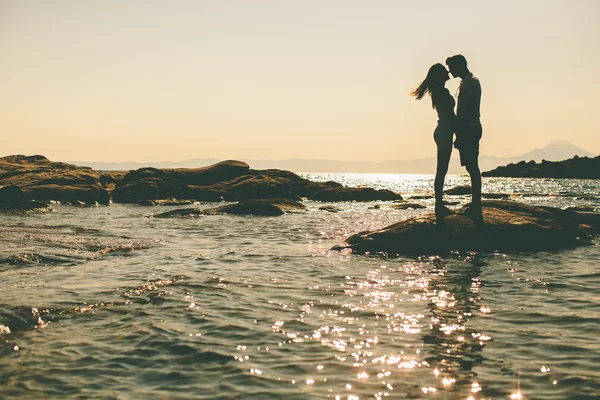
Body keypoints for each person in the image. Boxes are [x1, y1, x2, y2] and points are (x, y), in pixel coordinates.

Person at [410, 63, 456, 217]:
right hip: (444, 131)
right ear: (439, 75)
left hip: (443, 130)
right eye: (444, 71)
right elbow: (450, 115)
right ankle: (439, 205)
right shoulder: (441, 91)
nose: (448, 72)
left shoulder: (438, 91)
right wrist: (460, 132)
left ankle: (439, 204)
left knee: (441, 170)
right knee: (441, 170)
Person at [446, 54, 482, 216]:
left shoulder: (471, 82)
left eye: (451, 67)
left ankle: (476, 204)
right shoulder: (465, 82)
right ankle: (476, 203)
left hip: (470, 129)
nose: (450, 71)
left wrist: (461, 134)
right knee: (470, 166)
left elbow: (470, 108)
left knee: (472, 166)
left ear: (460, 65)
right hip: (467, 129)